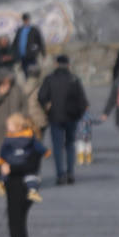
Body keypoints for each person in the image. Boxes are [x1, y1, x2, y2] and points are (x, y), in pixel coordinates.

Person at [0, 112, 47, 237]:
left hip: (20, 189)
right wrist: (1, 167)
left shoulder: (29, 143)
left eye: (10, 126)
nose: (7, 129)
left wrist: (10, 168)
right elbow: (1, 159)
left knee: (16, 230)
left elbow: (30, 166)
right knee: (18, 229)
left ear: (18, 127)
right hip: (14, 188)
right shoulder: (14, 141)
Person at [37, 54, 88, 186]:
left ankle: (60, 174)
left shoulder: (50, 79)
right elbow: (83, 100)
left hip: (55, 117)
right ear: (68, 65)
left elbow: (41, 96)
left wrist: (47, 107)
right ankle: (70, 173)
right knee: (70, 145)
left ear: (56, 64)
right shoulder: (74, 79)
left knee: (57, 147)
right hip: (71, 117)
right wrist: (79, 114)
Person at [0, 69, 29, 177]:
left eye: (9, 80)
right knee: (1, 154)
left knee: (15, 154)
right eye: (5, 79)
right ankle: (1, 178)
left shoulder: (17, 89)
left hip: (15, 128)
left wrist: (22, 118)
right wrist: (0, 94)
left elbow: (24, 105)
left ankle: (14, 177)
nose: (7, 82)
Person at [0, 112, 48, 205]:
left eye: (9, 125)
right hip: (24, 162)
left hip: (14, 163)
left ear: (18, 127)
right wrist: (45, 152)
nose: (7, 127)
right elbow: (38, 146)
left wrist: (1, 160)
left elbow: (4, 151)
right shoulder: (29, 136)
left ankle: (2, 183)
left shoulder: (9, 139)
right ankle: (32, 190)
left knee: (7, 173)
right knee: (31, 176)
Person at [14, 13, 46, 78]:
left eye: (27, 19)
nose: (26, 21)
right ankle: (28, 86)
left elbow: (40, 41)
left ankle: (33, 85)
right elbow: (15, 42)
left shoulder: (34, 30)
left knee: (33, 72)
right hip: (22, 56)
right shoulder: (20, 30)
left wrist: (43, 53)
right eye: (24, 19)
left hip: (32, 55)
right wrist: (13, 53)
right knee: (25, 72)